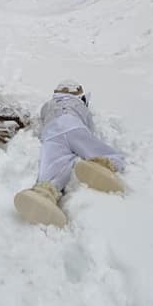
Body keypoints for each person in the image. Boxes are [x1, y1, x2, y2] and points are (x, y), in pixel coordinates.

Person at [14, 80, 125, 227]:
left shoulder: (47, 105)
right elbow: (88, 125)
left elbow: (42, 117)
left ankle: (45, 191)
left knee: (52, 163)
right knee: (91, 146)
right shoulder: (79, 105)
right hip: (73, 125)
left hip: (52, 133)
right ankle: (105, 163)